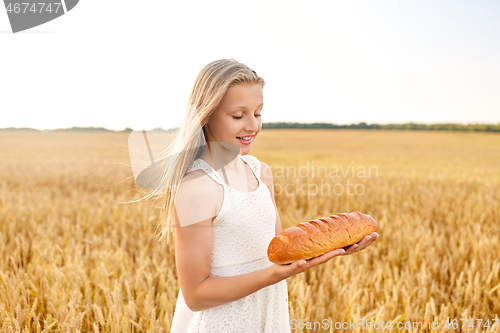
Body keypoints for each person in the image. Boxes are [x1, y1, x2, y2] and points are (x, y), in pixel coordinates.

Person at [158, 59, 379, 332]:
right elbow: (196, 295)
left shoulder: (260, 172)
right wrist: (274, 275)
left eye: (258, 113)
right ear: (207, 115)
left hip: (267, 315)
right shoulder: (197, 187)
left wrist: (333, 245)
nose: (252, 126)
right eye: (238, 116)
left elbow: (278, 252)